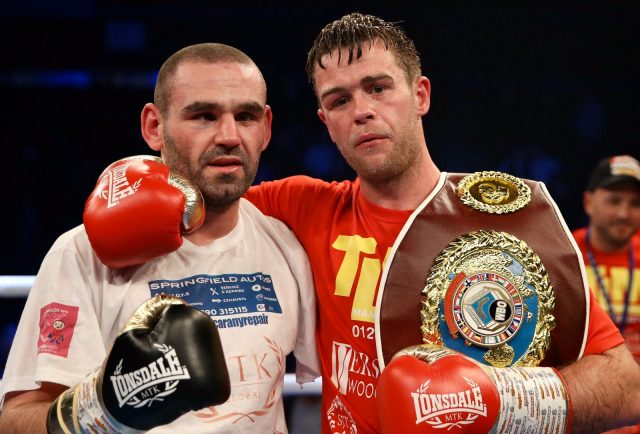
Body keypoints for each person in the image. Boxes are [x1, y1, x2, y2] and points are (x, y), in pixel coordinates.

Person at [64, 13, 640, 434]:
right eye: (338, 100)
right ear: (325, 121)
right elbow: (199, 183)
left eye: (378, 88)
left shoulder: (508, 220)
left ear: (420, 95)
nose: (360, 109)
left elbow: (626, 386)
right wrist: (123, 180)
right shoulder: (298, 208)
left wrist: (502, 400)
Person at [0, 43, 319, 434]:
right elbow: (16, 420)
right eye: (204, 116)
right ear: (155, 127)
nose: (230, 135)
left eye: (246, 116)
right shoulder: (84, 254)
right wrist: (100, 408)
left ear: (266, 128)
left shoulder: (286, 247)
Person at [572, 154, 640, 433]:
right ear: (589, 202)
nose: (624, 213)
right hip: (583, 412)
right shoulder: (564, 255)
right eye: (614, 200)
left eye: (635, 203)